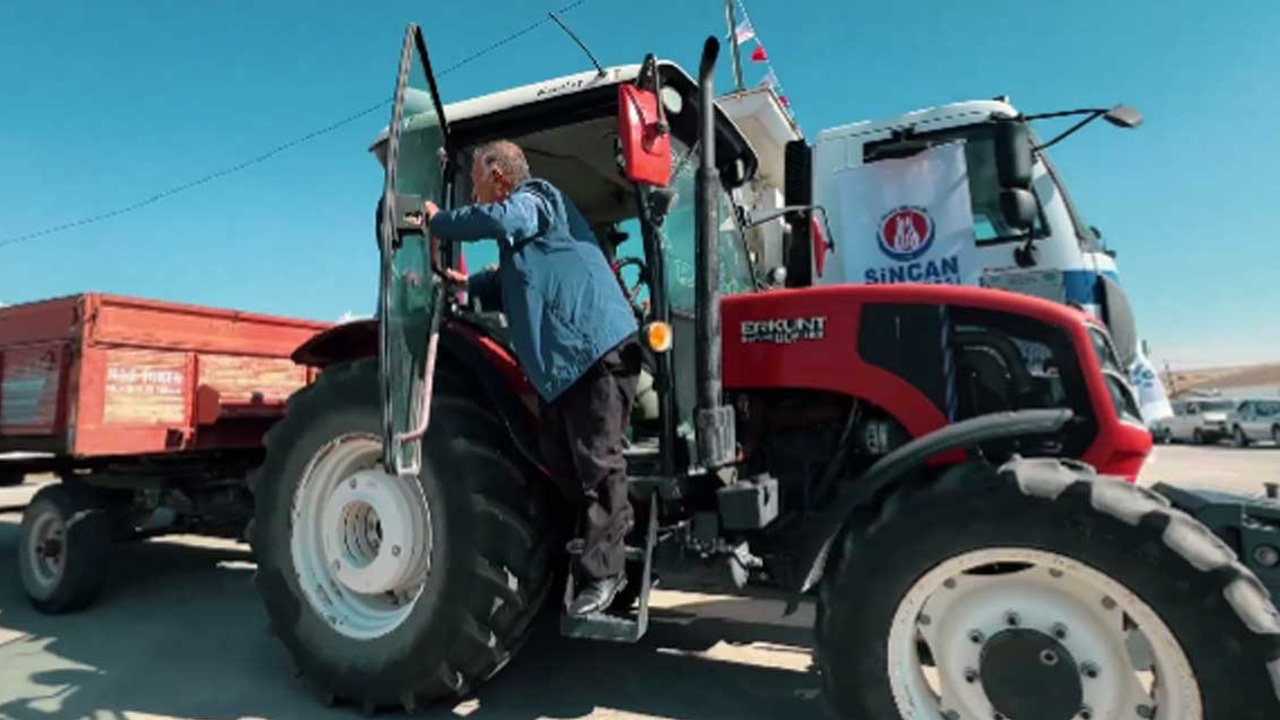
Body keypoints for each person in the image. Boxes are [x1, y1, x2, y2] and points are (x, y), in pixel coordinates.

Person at [424, 140, 641, 616]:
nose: (474, 191)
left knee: (597, 463)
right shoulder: (522, 246)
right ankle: (589, 557)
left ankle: (605, 575)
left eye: (477, 178)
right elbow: (509, 282)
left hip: (594, 353)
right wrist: (465, 287)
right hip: (562, 372)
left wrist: (438, 220)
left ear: (499, 175)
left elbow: (505, 219)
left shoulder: (538, 198)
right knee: (559, 464)